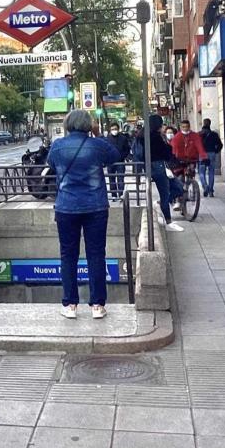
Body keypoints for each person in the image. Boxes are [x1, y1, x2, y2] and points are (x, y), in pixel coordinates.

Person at [47, 109, 121, 321]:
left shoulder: (58, 145)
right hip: (95, 206)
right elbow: (115, 156)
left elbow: (51, 164)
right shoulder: (97, 145)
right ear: (89, 125)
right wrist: (97, 134)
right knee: (96, 254)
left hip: (66, 207)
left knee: (68, 255)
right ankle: (97, 305)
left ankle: (70, 305)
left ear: (67, 124)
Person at [149, 115, 184, 233]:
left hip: (160, 166)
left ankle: (160, 204)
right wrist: (168, 149)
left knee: (177, 188)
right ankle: (168, 221)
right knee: (166, 192)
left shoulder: (148, 135)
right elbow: (164, 151)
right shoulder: (154, 137)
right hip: (158, 166)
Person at [106, 121, 131, 200]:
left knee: (120, 178)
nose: (114, 130)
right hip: (110, 162)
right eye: (112, 129)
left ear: (118, 129)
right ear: (110, 130)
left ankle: (121, 194)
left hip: (120, 161)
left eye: (115, 129)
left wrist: (123, 156)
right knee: (111, 178)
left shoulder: (123, 138)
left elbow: (127, 149)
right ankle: (114, 194)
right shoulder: (108, 138)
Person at [199, 118, 223, 198]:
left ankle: (205, 186)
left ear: (203, 123)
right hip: (212, 154)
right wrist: (215, 151)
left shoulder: (199, 134)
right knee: (211, 172)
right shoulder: (214, 134)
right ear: (210, 124)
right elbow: (220, 145)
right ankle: (211, 191)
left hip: (202, 154)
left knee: (201, 172)